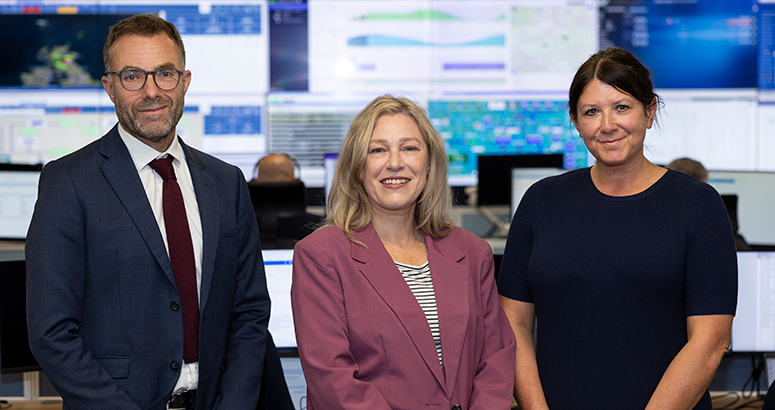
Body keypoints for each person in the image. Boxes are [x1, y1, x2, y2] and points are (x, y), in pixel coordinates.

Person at [25, 14, 270, 410]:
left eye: (165, 74)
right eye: (133, 76)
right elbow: (51, 333)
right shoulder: (68, 182)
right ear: (109, 87)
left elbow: (250, 313)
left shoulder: (227, 183)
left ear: (185, 81)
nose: (152, 91)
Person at [498, 47, 738, 410]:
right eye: (591, 112)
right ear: (576, 122)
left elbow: (711, 341)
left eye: (622, 107)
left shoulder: (698, 205)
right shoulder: (540, 202)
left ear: (650, 112)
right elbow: (511, 326)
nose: (607, 124)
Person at [291, 94, 516, 409]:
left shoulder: (471, 250)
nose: (395, 162)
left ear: (429, 163)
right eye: (378, 149)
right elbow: (333, 379)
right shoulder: (322, 255)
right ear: (357, 168)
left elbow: (496, 359)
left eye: (409, 148)